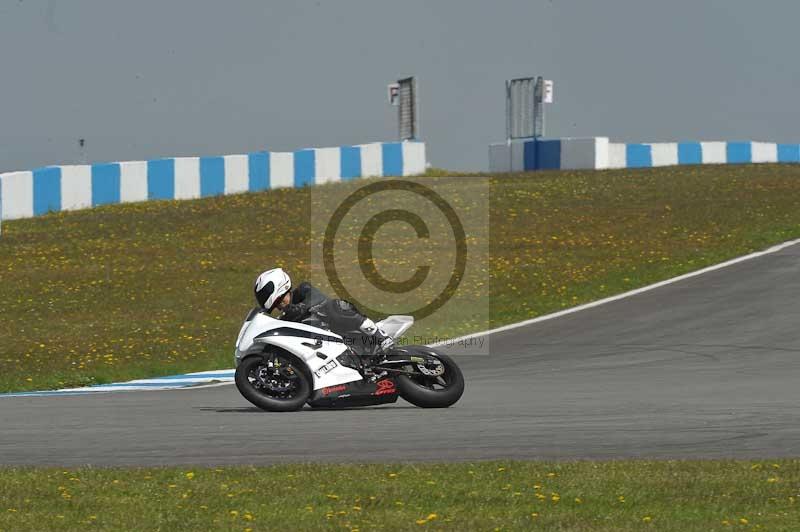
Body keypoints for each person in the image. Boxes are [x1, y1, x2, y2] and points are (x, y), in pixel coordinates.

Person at [253, 268, 394, 355]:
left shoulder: (303, 290)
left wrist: (300, 308)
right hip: (327, 347)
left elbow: (318, 298)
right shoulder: (285, 318)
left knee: (336, 306)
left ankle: (380, 336)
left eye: (279, 302)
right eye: (276, 306)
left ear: (283, 289)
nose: (280, 307)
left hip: (343, 329)